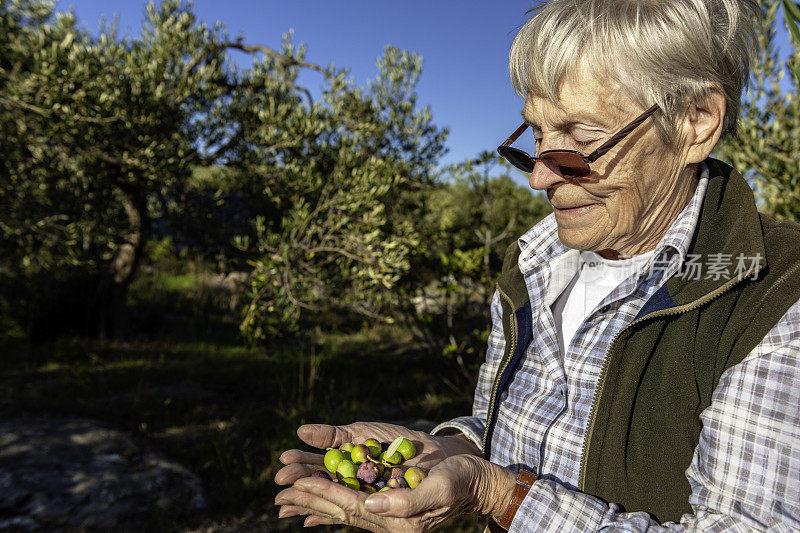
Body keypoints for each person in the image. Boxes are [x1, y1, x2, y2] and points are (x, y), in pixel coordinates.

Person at [274, 0, 800, 530]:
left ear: (696, 122)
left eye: (580, 140)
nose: (539, 178)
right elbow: (513, 427)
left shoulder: (774, 295)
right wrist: (448, 447)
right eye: (536, 138)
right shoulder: (536, 260)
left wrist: (497, 495)